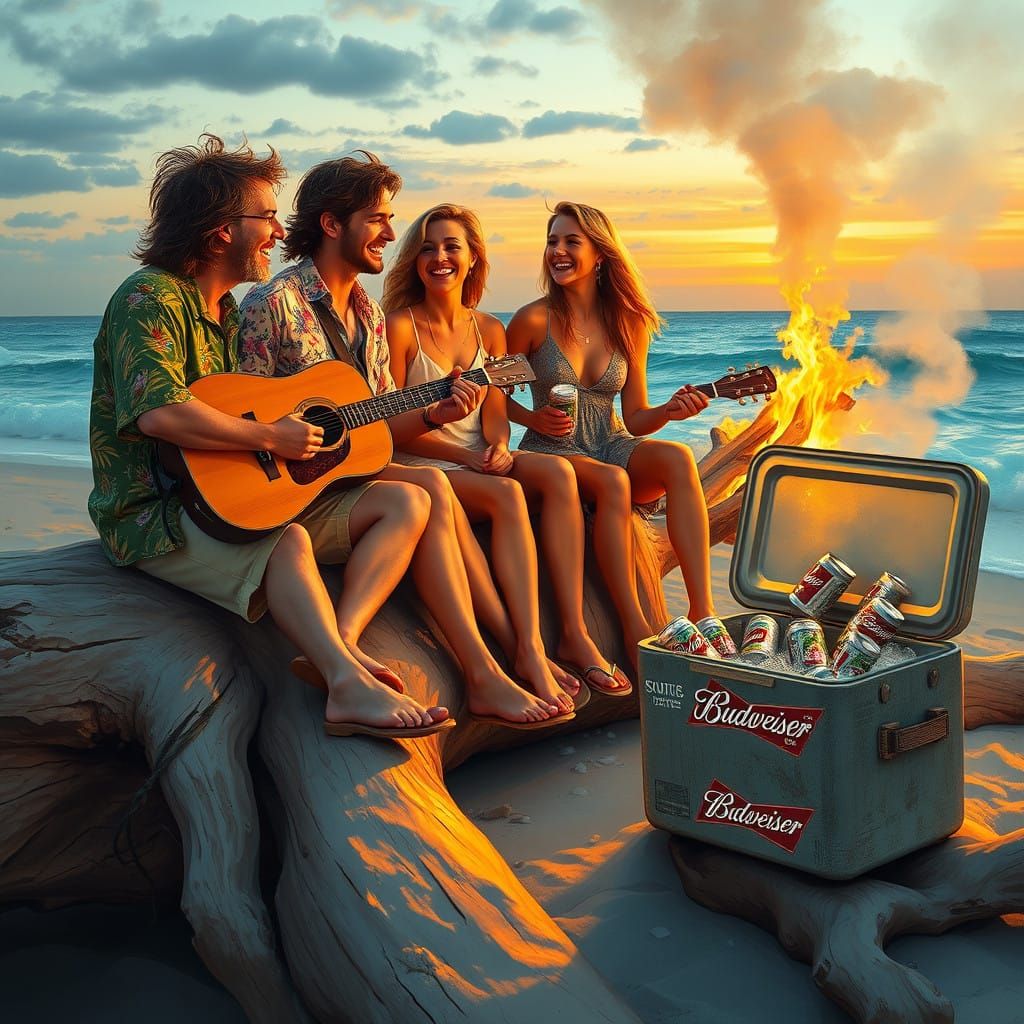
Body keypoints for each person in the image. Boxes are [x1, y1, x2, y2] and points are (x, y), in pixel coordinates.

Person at [87, 135, 454, 740]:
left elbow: (248, 411)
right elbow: (159, 414)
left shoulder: (227, 314)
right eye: (265, 216)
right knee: (286, 545)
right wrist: (280, 440)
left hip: (229, 502)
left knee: (408, 498)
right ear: (219, 230)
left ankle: (343, 640)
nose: (280, 232)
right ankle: (343, 683)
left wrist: (285, 446)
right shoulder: (148, 297)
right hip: (158, 516)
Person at [239, 155, 570, 728]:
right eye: (378, 219)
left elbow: (379, 426)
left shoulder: (365, 311)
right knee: (429, 486)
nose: (392, 234)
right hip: (290, 495)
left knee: (430, 487)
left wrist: (436, 412)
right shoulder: (275, 304)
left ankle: (466, 665)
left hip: (346, 478)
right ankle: (484, 670)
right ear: (331, 224)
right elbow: (243, 414)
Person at [381, 203, 628, 698]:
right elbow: (390, 428)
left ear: (473, 258)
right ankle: (529, 649)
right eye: (428, 248)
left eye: (453, 246)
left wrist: (497, 445)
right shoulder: (400, 326)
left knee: (558, 474)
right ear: (414, 260)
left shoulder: (490, 331)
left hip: (480, 461)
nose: (440, 257)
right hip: (424, 463)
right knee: (508, 497)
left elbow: (495, 414)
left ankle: (576, 635)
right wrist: (471, 459)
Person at [506, 201, 716, 664]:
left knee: (678, 458)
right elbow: (489, 394)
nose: (557, 251)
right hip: (552, 447)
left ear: (600, 254)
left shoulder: (629, 322)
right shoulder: (532, 320)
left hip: (612, 441)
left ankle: (704, 611)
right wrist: (530, 418)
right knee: (613, 481)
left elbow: (637, 414)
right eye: (551, 241)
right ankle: (632, 626)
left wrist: (670, 412)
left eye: (570, 242)